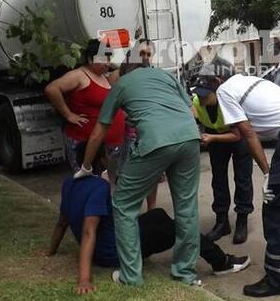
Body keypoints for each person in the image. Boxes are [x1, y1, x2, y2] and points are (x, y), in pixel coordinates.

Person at [75, 41, 202, 287]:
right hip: (190, 137)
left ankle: (131, 276)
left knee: (123, 204)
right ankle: (185, 272)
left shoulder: (121, 84)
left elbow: (99, 132)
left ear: (124, 69)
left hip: (155, 140)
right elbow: (192, 111)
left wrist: (87, 166)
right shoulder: (165, 76)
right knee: (187, 207)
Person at [199, 58, 280, 298]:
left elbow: (246, 133)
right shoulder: (251, 80)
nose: (209, 95)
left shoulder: (225, 90)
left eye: (210, 87)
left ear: (217, 81)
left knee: (277, 208)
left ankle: (278, 279)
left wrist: (268, 173)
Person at [42, 168, 250, 295]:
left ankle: (196, 252)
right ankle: (221, 262)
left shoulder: (69, 183)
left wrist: (50, 250)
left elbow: (62, 222)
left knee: (158, 214)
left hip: (113, 240)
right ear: (101, 160)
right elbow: (89, 231)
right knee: (180, 227)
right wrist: (85, 279)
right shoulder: (98, 187)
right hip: (114, 251)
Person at [44, 39, 126, 179]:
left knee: (102, 184)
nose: (107, 63)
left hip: (105, 147)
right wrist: (68, 114)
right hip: (83, 142)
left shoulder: (104, 77)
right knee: (85, 182)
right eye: (103, 59)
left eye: (108, 59)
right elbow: (52, 89)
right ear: (89, 58)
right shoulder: (79, 75)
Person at [192, 78, 253, 244]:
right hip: (215, 137)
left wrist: (211, 137)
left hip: (238, 134)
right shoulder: (198, 102)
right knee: (218, 179)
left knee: (242, 178)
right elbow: (193, 113)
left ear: (216, 93)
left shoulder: (226, 101)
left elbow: (237, 135)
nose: (202, 99)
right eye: (200, 95)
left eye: (206, 96)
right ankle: (222, 222)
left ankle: (242, 219)